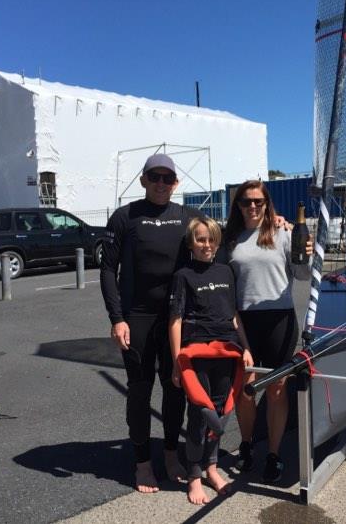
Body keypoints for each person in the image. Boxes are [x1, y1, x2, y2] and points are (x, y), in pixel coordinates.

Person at [100, 153, 203, 493]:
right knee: (140, 390)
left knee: (175, 389)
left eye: (167, 178)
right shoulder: (124, 217)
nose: (161, 183)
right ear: (143, 180)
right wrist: (118, 319)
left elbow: (220, 240)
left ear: (176, 183)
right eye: (154, 177)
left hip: (175, 320)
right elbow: (107, 271)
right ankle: (143, 461)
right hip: (137, 318)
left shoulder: (187, 217)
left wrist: (276, 224)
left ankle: (171, 454)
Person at [223, 180, 312, 483]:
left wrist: (307, 253)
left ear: (267, 204)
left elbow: (301, 274)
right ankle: (247, 444)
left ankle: (273, 454)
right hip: (244, 323)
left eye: (258, 202)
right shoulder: (230, 239)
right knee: (245, 390)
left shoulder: (284, 233)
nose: (252, 207)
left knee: (276, 390)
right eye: (246, 201)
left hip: (280, 321)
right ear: (238, 205)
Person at [168, 217, 253, 505]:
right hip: (196, 353)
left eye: (211, 239)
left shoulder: (226, 271)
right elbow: (175, 320)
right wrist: (176, 361)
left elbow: (233, 316)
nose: (207, 245)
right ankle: (194, 476)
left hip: (226, 351)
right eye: (201, 239)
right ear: (191, 243)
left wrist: (246, 347)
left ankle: (212, 468)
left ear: (218, 242)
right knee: (201, 414)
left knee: (223, 409)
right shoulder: (183, 275)